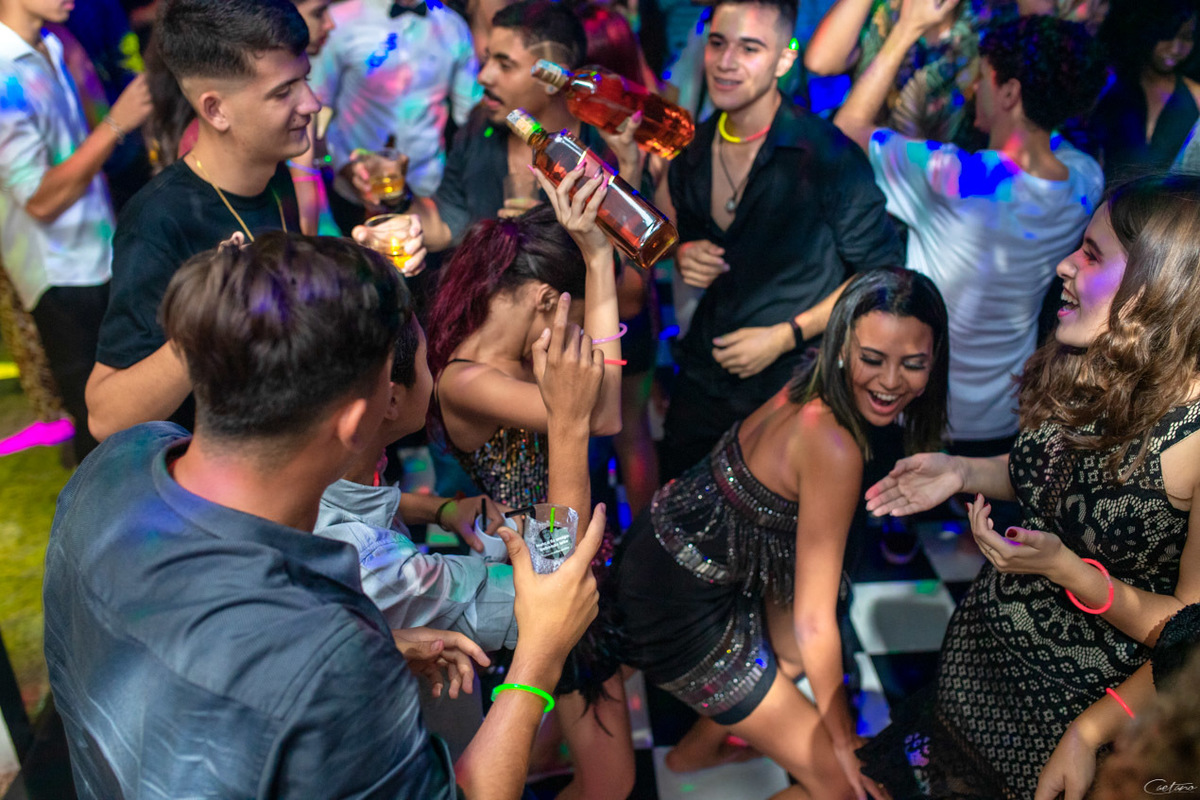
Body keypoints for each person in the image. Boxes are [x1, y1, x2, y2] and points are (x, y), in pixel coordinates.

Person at [44, 229, 611, 799]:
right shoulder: (329, 659)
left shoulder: (118, 462)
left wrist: (384, 639)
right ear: (361, 418)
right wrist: (537, 661)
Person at [859, 173, 1200, 800]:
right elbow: (1049, 479)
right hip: (977, 671)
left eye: (1091, 255)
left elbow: (1190, 639)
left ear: (1160, 285)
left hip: (1075, 721)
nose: (1065, 265)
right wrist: (963, 471)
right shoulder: (1095, 358)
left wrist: (1070, 574)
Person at [617, 267, 949, 799]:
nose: (891, 381)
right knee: (844, 788)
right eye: (872, 359)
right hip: (674, 603)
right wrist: (843, 740)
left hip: (669, 554)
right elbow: (816, 623)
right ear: (842, 348)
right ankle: (713, 744)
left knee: (792, 654)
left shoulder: (812, 377)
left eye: (913, 364)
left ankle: (695, 752)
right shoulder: (834, 444)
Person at [428, 173, 635, 799]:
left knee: (576, 734)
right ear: (547, 298)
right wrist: (598, 262)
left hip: (568, 551)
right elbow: (604, 415)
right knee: (613, 785)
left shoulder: (512, 353)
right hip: (546, 572)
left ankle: (545, 751)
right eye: (573, 308)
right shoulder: (467, 379)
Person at [834, 11, 1105, 455]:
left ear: (1010, 92)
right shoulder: (1084, 181)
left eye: (983, 77)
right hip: (1003, 414)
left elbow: (846, 130)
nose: (973, 88)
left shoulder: (951, 177)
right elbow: (1049, 141)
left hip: (919, 404)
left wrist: (906, 29)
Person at [660, 0, 903, 482]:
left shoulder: (827, 156)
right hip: (705, 379)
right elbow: (685, 236)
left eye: (749, 48)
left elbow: (883, 274)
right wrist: (683, 253)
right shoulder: (691, 151)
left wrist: (785, 335)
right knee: (673, 508)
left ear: (784, 59)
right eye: (718, 44)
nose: (726, 62)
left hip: (795, 387)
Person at [0, 0, 151, 462]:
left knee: (135, 420)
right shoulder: (3, 72)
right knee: (97, 438)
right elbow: (40, 199)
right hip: (59, 272)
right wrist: (117, 123)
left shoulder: (50, 44)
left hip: (98, 249)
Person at [315, 309, 516, 649]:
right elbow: (546, 606)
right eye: (426, 363)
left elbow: (355, 505)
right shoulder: (382, 568)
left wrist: (441, 510)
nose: (434, 376)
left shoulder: (327, 469)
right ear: (392, 399)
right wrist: (570, 421)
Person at [309, 0, 481, 234]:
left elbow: (471, 115)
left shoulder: (452, 26)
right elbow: (316, 109)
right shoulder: (339, 20)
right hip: (353, 197)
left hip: (429, 195)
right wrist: (344, 166)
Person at [804, 0, 1051, 146]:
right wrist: (908, 26)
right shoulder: (883, 11)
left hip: (949, 192)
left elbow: (1048, 45)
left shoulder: (990, 19)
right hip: (869, 173)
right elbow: (820, 61)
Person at [1091, 0, 1200, 185]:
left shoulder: (1196, 97)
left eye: (1186, 37)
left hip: (1164, 203)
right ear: (1149, 30)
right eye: (1167, 35)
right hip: (1104, 200)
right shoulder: (1107, 85)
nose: (1176, 48)